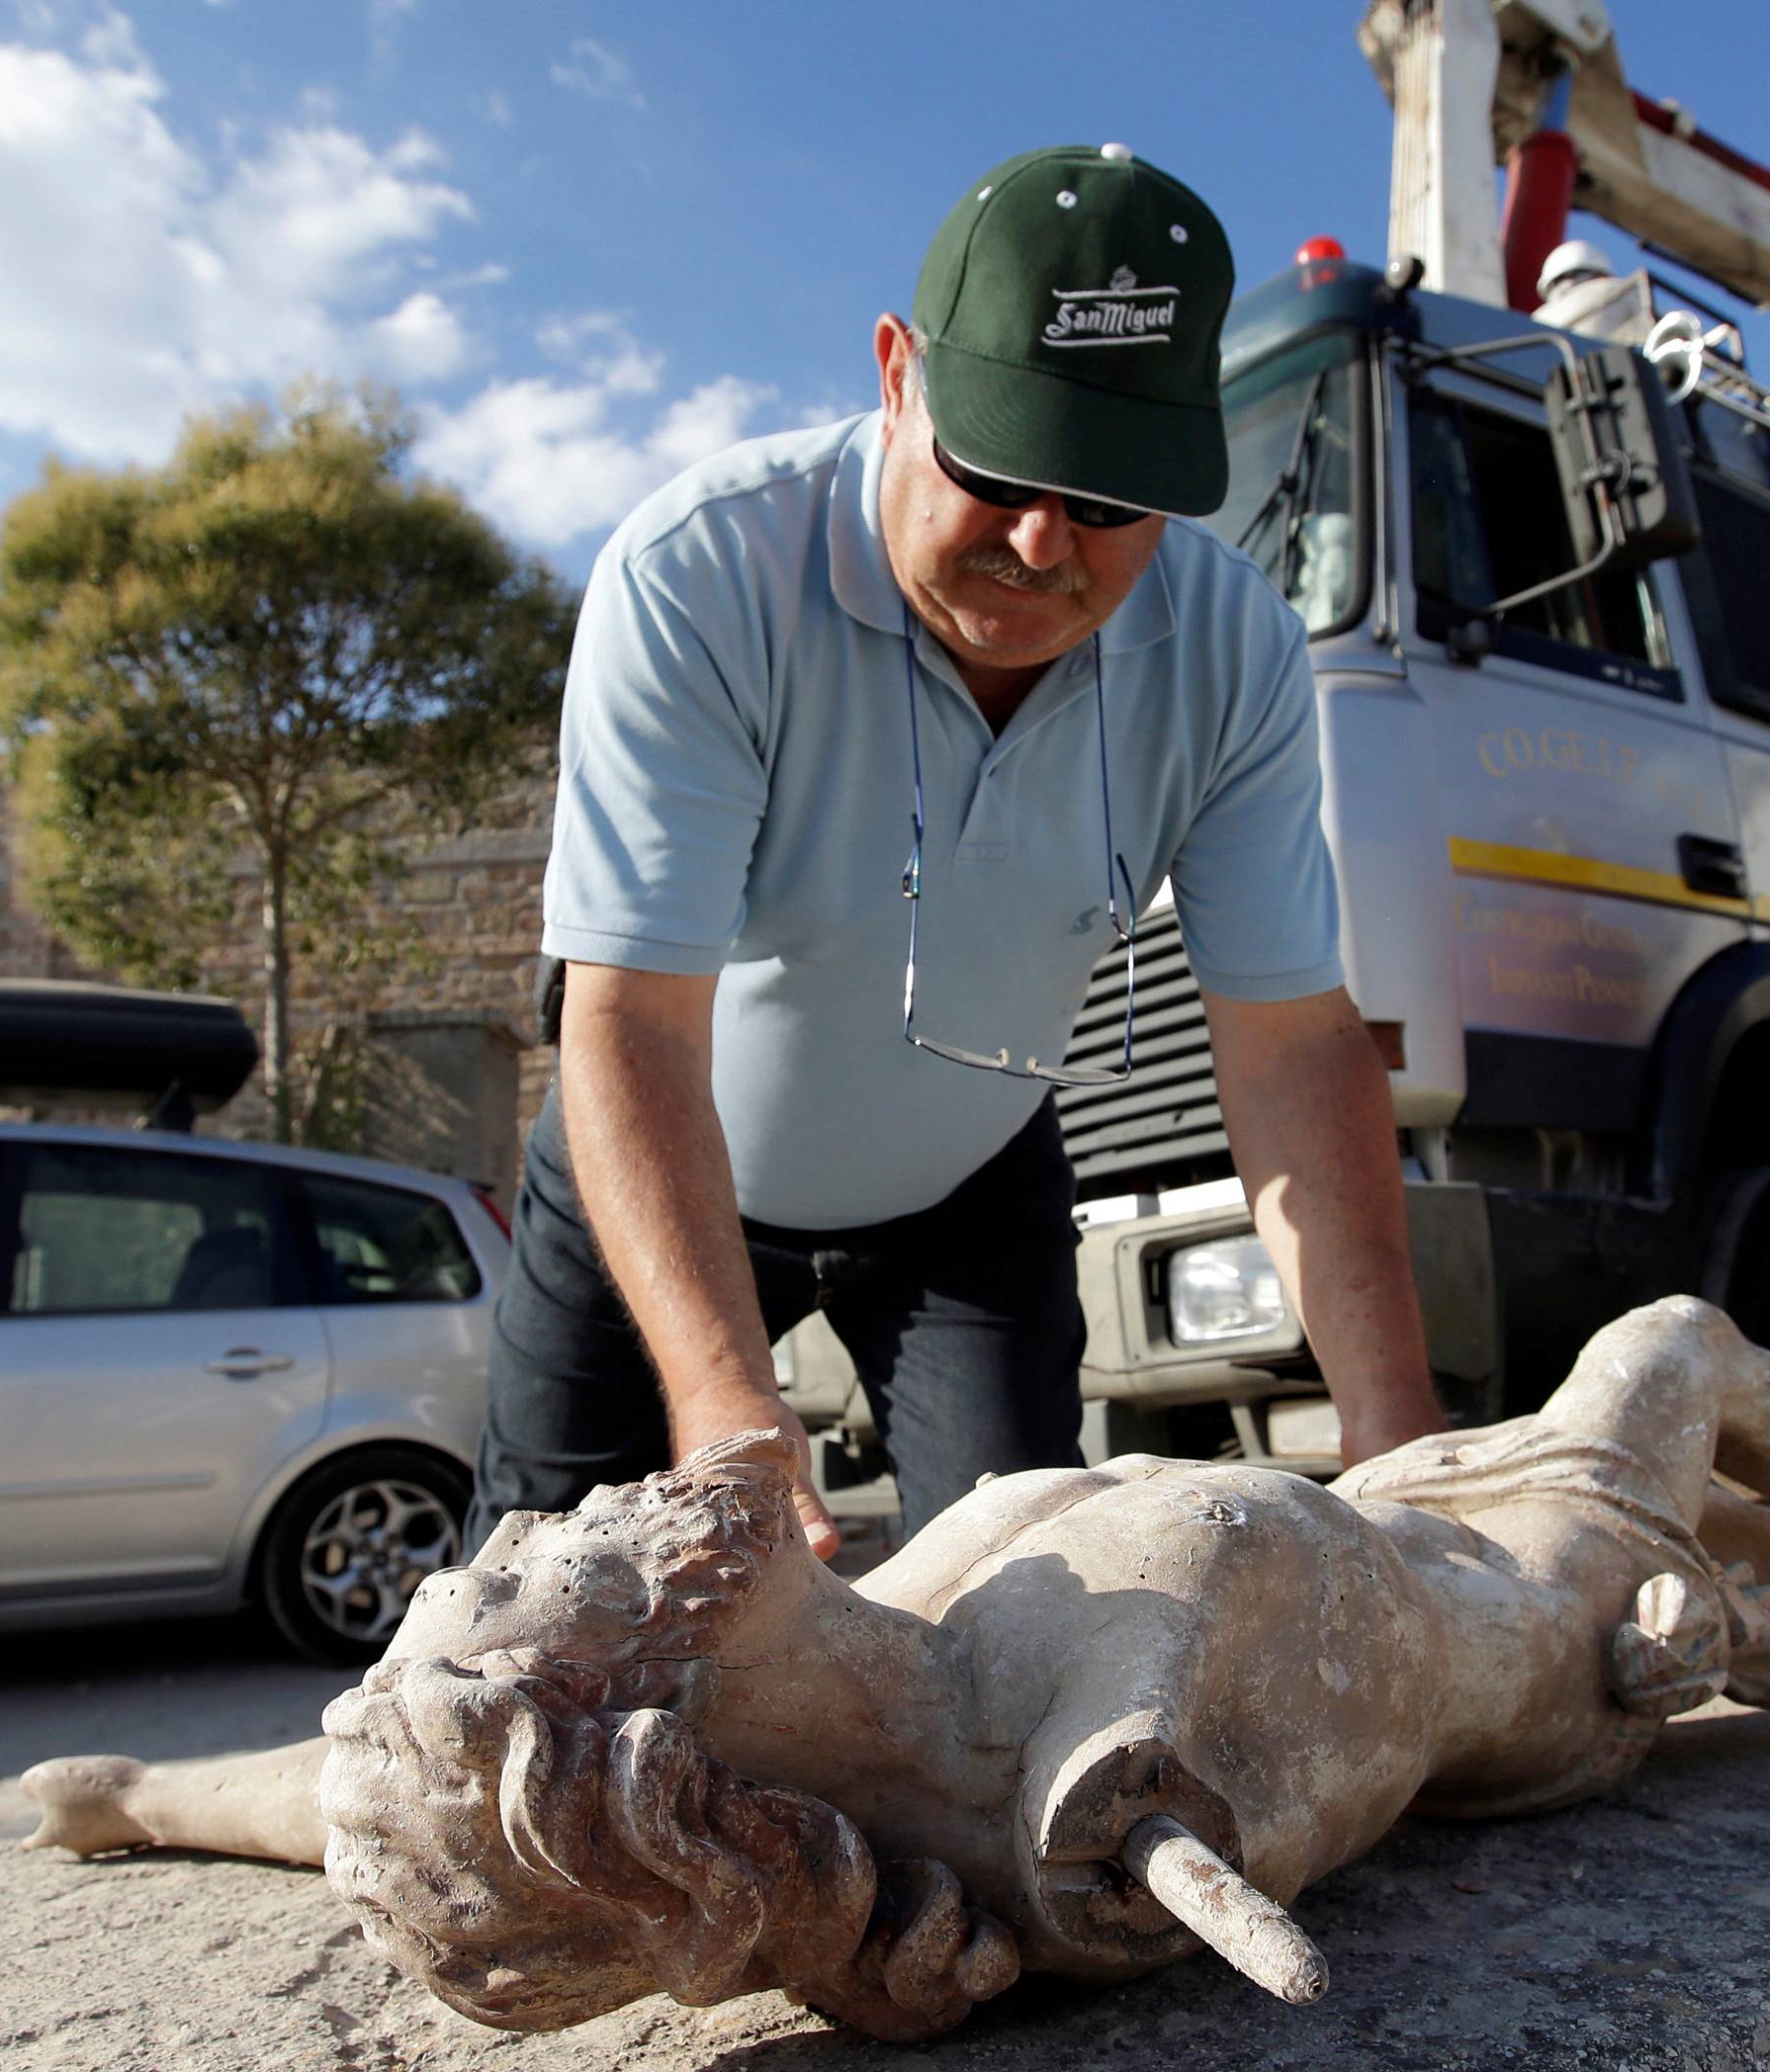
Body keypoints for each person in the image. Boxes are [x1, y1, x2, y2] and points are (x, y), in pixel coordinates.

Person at [470, 141, 1447, 1561]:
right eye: (995, 466)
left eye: (1112, 499)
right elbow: (627, 1020)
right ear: (894, 374)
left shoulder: (1235, 651)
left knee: (1019, 1608)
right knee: (525, 1623)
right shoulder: (701, 575)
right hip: (666, 1157)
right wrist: (730, 1408)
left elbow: (1294, 1048)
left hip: (967, 1192)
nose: (1045, 544)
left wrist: (1398, 1431)